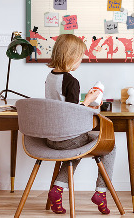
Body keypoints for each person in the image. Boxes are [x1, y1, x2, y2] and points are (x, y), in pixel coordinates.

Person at [45, 34, 115, 215]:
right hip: (68, 138)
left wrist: (84, 102)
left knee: (75, 149)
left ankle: (57, 190)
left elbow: (62, 106)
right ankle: (101, 192)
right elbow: (73, 112)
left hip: (51, 138)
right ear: (70, 57)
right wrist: (90, 100)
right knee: (110, 146)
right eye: (80, 58)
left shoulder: (50, 77)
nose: (80, 62)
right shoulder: (71, 81)